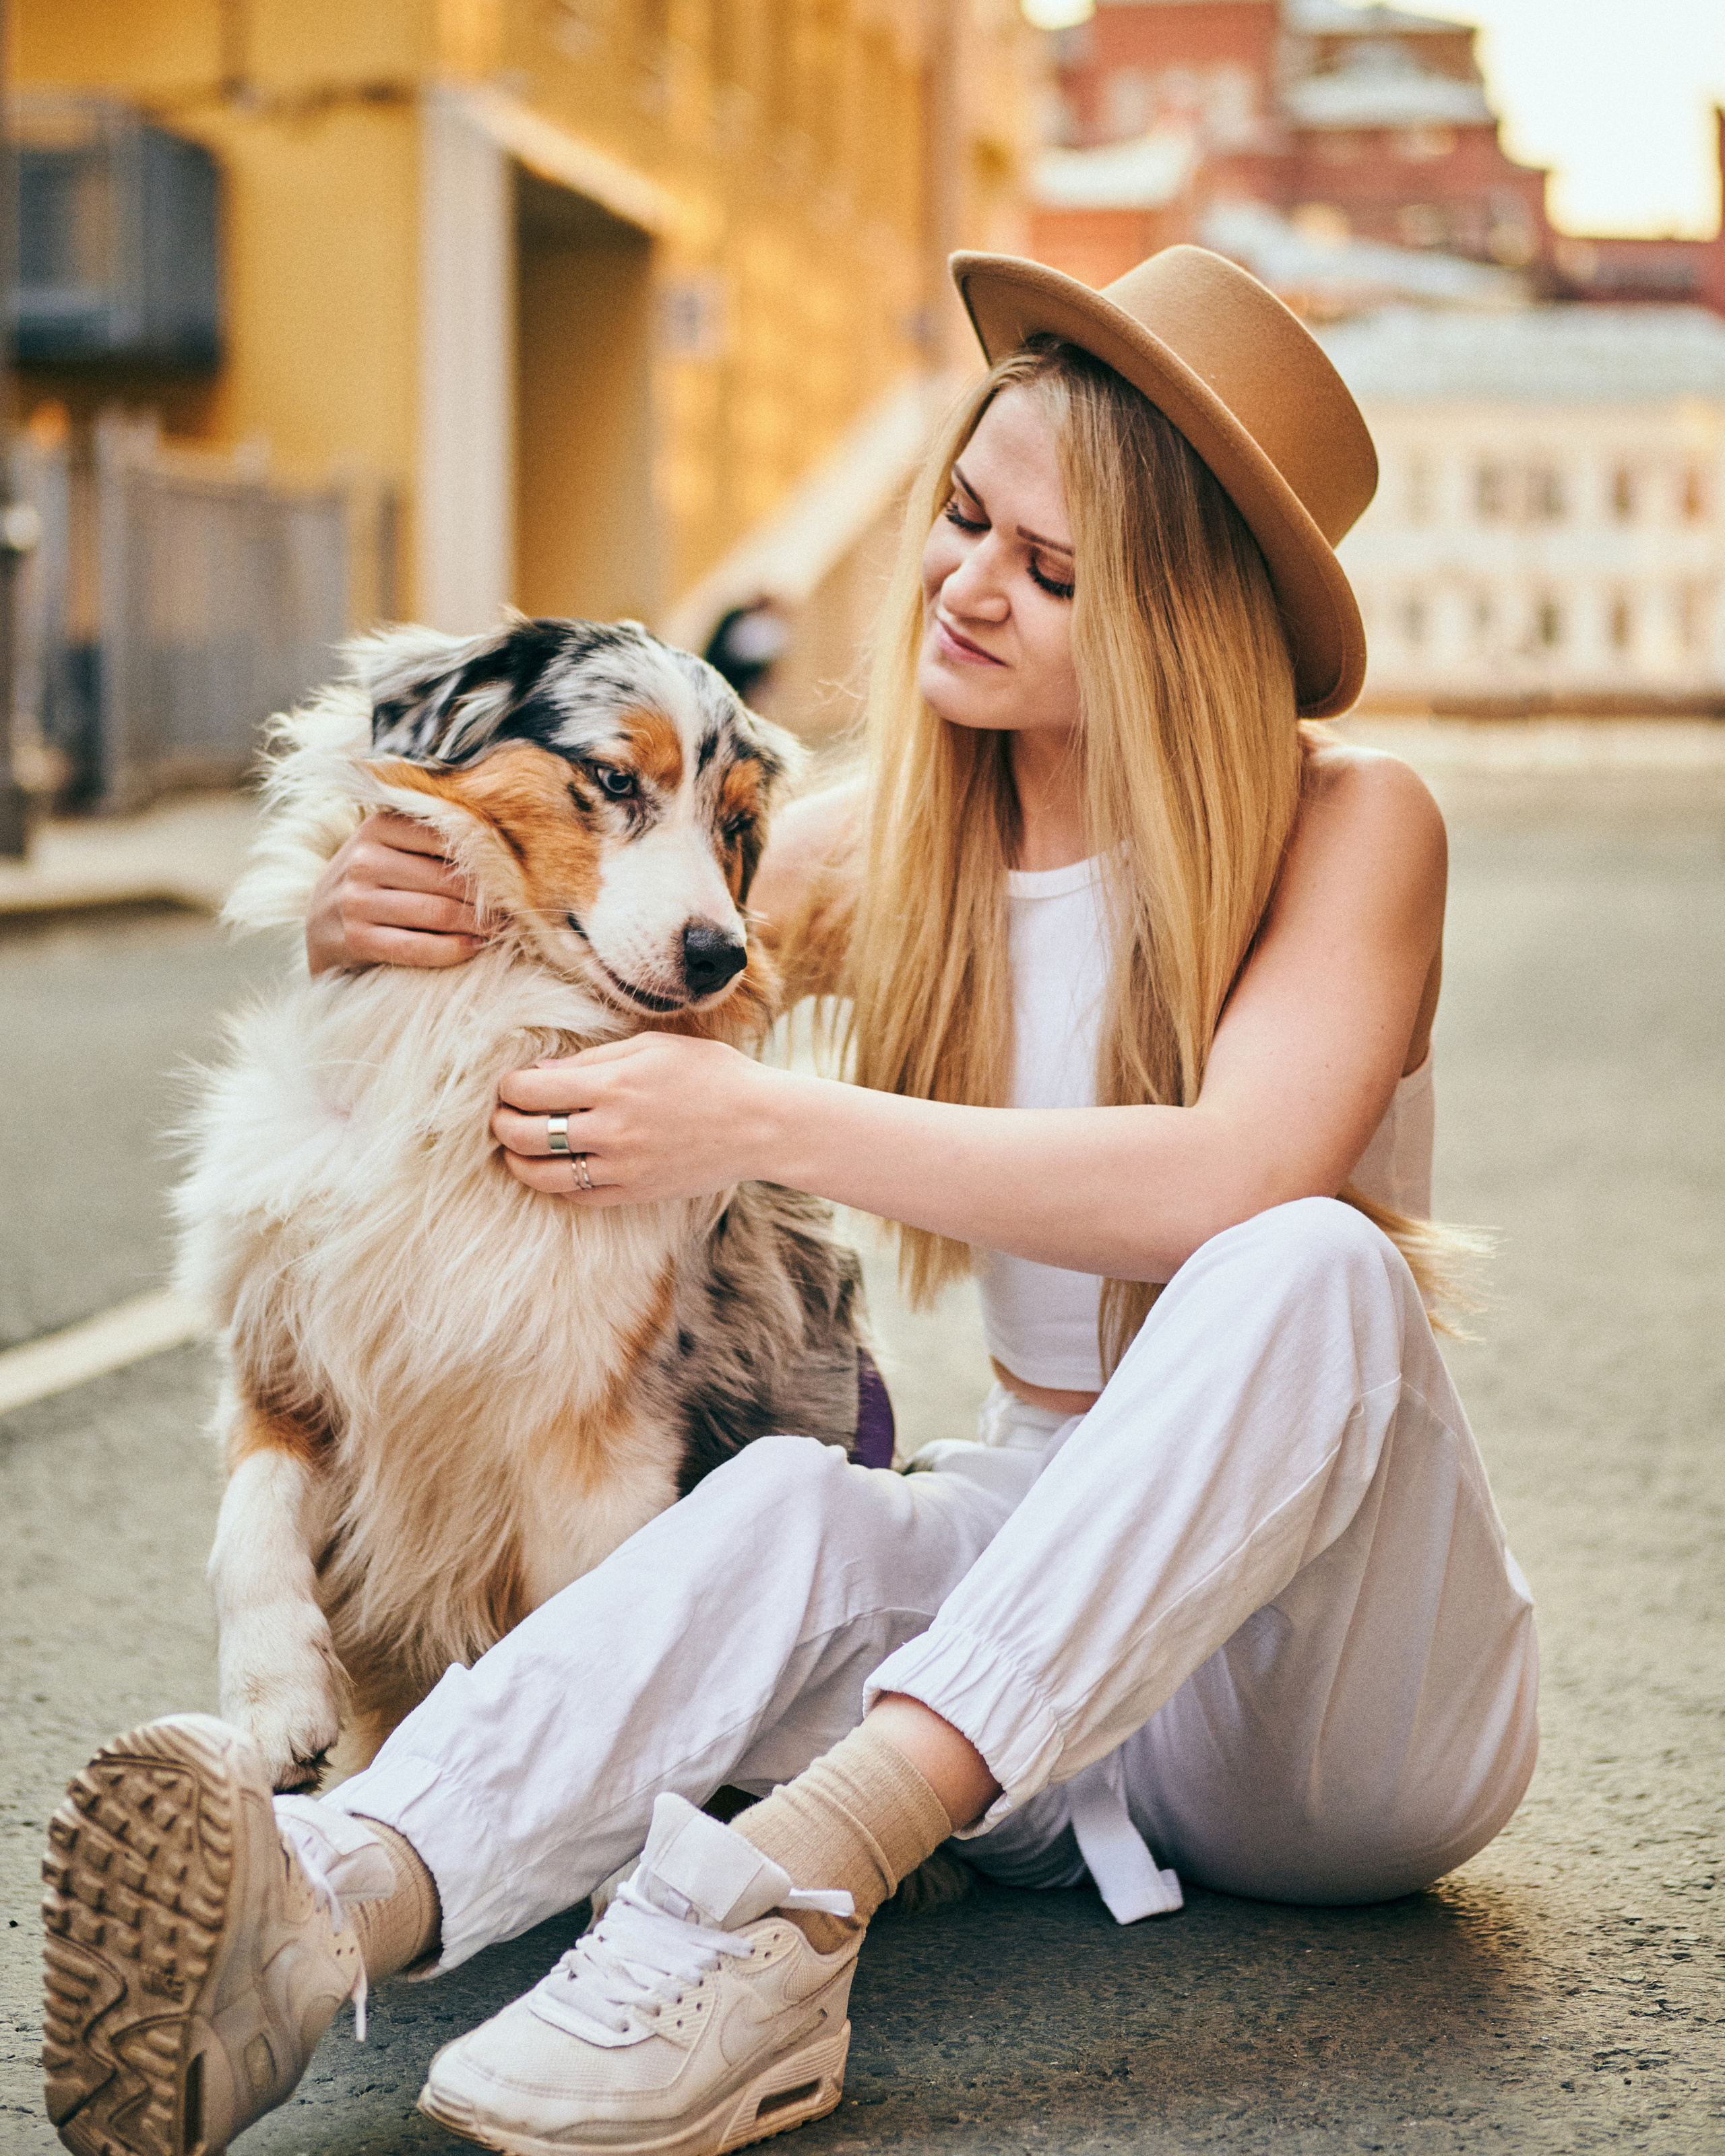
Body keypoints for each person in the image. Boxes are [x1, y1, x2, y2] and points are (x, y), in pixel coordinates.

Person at [42, 247, 1538, 2156]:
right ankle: (320, 1904)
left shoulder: (1356, 824)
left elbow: (1227, 1177)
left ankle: (775, 1909)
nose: (966, 584)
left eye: (1051, 572)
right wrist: (373, 907)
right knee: (787, 1514)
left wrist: (754, 1118)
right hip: (1045, 1646)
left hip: (1337, 1718)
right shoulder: (907, 846)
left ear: (1180, 621)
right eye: (964, 519)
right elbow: (600, 900)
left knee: (1313, 1266)